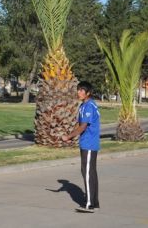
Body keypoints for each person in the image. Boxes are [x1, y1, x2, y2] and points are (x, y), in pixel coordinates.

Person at [62, 81, 100, 213]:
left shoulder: (89, 106)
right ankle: (94, 202)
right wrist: (72, 135)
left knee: (88, 173)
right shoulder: (84, 106)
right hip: (86, 143)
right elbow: (80, 126)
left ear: (88, 93)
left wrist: (69, 137)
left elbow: (83, 126)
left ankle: (89, 204)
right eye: (78, 90)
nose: (79, 92)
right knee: (91, 173)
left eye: (82, 90)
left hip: (89, 144)